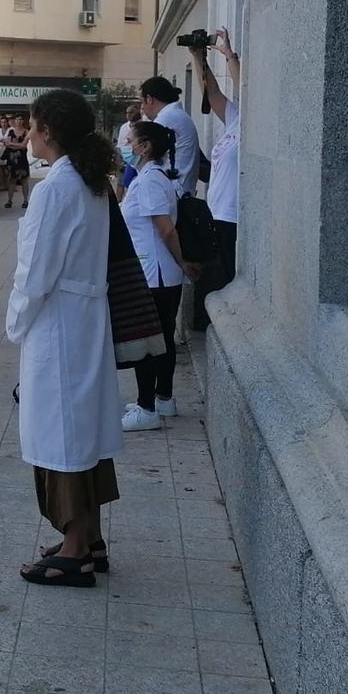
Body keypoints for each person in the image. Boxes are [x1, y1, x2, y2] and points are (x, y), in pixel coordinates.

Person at [7, 89, 122, 587]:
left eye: (32, 126)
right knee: (84, 426)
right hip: (86, 315)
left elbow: (36, 270)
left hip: (59, 319)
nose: (27, 134)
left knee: (62, 432)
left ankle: (75, 549)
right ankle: (89, 536)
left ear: (47, 131)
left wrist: (16, 321)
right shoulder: (91, 181)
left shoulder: (57, 188)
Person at [120, 121, 196, 432]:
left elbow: (165, 228)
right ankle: (164, 398)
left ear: (145, 146)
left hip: (155, 275)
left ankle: (146, 407)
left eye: (130, 140)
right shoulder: (151, 178)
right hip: (160, 273)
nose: (125, 144)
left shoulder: (150, 181)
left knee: (147, 343)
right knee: (162, 339)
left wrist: (183, 262)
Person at [191, 28, 241, 328]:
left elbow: (247, 85)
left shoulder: (256, 120)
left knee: (225, 284)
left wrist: (230, 56)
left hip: (233, 219)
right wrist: (199, 58)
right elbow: (211, 94)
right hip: (216, 214)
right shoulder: (236, 117)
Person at [139, 76, 199, 196]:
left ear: (149, 99)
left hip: (174, 191)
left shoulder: (166, 118)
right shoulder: (176, 115)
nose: (142, 108)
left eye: (142, 101)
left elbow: (144, 151)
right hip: (179, 189)